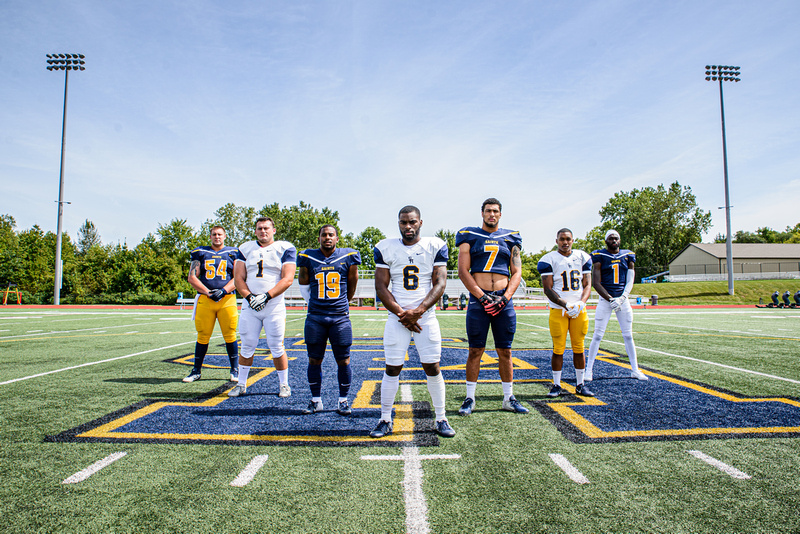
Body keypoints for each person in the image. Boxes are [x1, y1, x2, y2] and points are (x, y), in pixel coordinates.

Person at [369, 206, 455, 439]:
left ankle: (441, 417)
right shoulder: (385, 247)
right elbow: (381, 287)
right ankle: (385, 418)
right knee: (392, 368)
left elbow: (440, 284)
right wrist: (402, 314)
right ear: (398, 223)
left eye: (412, 222)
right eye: (403, 222)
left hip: (425, 317)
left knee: (432, 367)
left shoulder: (435, 245)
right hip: (398, 318)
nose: (408, 226)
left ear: (420, 222)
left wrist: (418, 311)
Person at [455, 197, 528, 416]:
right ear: (482, 213)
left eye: (495, 211)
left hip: (504, 301)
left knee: (505, 350)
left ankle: (508, 397)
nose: (492, 215)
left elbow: (517, 272)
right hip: (480, 299)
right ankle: (470, 398)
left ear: (500, 214)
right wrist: (482, 296)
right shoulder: (469, 235)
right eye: (488, 211)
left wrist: (505, 297)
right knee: (475, 350)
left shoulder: (511, 237)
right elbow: (462, 271)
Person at [228, 216, 296, 398]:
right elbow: (238, 278)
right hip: (250, 306)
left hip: (273, 306)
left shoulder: (285, 248)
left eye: (266, 228)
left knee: (276, 346)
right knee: (247, 345)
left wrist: (266, 296)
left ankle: (284, 384)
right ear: (255, 231)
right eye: (259, 228)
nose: (263, 231)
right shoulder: (245, 248)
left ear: (273, 230)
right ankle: (241, 384)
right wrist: (250, 297)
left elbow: (288, 278)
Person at [297, 224, 361, 415]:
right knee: (314, 359)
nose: (327, 238)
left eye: (331, 235)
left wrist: (342, 304)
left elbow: (352, 283)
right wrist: (316, 305)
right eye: (324, 235)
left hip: (339, 317)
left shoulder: (348, 256)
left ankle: (343, 400)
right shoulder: (308, 256)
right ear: (319, 239)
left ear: (337, 238)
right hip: (315, 317)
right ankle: (316, 400)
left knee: (344, 360)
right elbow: (303, 284)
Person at [537, 228, 594, 397]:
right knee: (558, 349)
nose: (565, 242)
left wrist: (581, 304)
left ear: (573, 240)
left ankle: (580, 384)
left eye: (568, 239)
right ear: (557, 241)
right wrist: (565, 304)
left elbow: (588, 284)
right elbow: (547, 289)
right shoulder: (548, 259)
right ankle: (556, 385)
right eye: (562, 239)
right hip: (558, 310)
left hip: (579, 310)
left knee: (579, 348)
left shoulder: (583, 257)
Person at [585, 230, 648, 382]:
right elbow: (596, 282)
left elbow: (630, 280)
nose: (614, 240)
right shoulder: (599, 256)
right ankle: (588, 370)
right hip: (605, 300)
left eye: (616, 238)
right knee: (598, 335)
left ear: (620, 240)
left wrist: (622, 298)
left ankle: (635, 369)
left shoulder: (628, 255)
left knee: (628, 335)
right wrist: (610, 298)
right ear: (606, 241)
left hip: (622, 299)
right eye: (610, 238)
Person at [183, 225, 240, 383]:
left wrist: (223, 291)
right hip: (205, 299)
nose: (217, 237)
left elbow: (238, 277)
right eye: (214, 234)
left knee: (230, 334)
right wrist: (208, 292)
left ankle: (235, 370)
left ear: (225, 236)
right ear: (210, 236)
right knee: (203, 335)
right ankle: (196, 371)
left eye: (220, 234)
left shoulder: (233, 253)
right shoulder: (200, 252)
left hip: (226, 299)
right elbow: (192, 277)